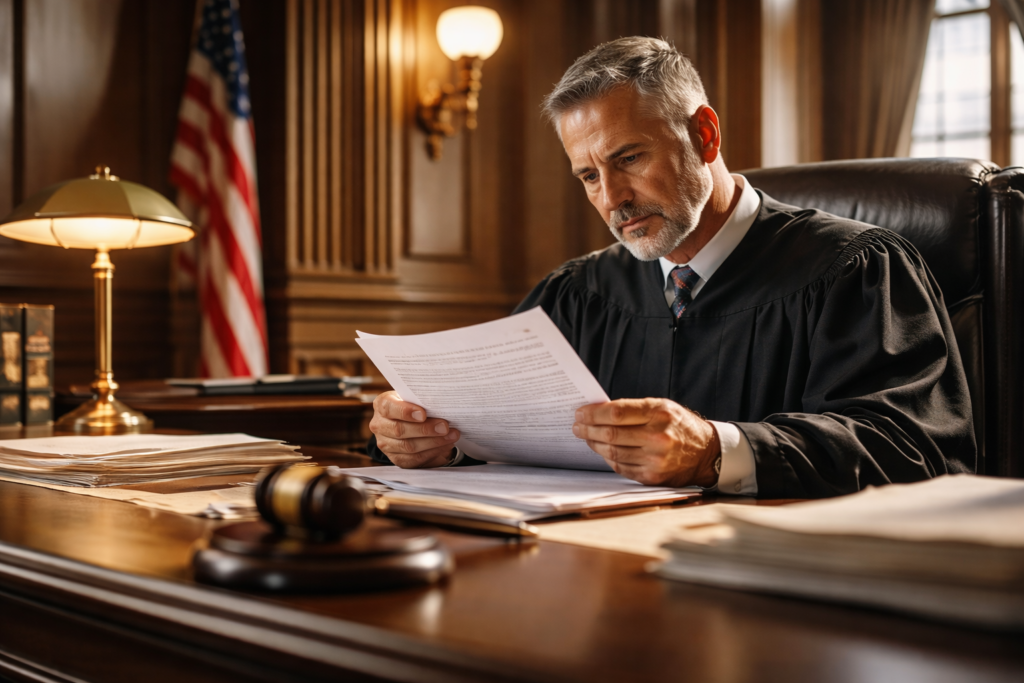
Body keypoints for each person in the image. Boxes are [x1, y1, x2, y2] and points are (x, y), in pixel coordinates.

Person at [366, 37, 976, 498]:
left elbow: (915, 449)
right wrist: (425, 442)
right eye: (588, 175)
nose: (611, 198)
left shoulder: (854, 269)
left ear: (705, 135)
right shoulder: (580, 293)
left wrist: (718, 450)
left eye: (628, 158)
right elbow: (492, 433)